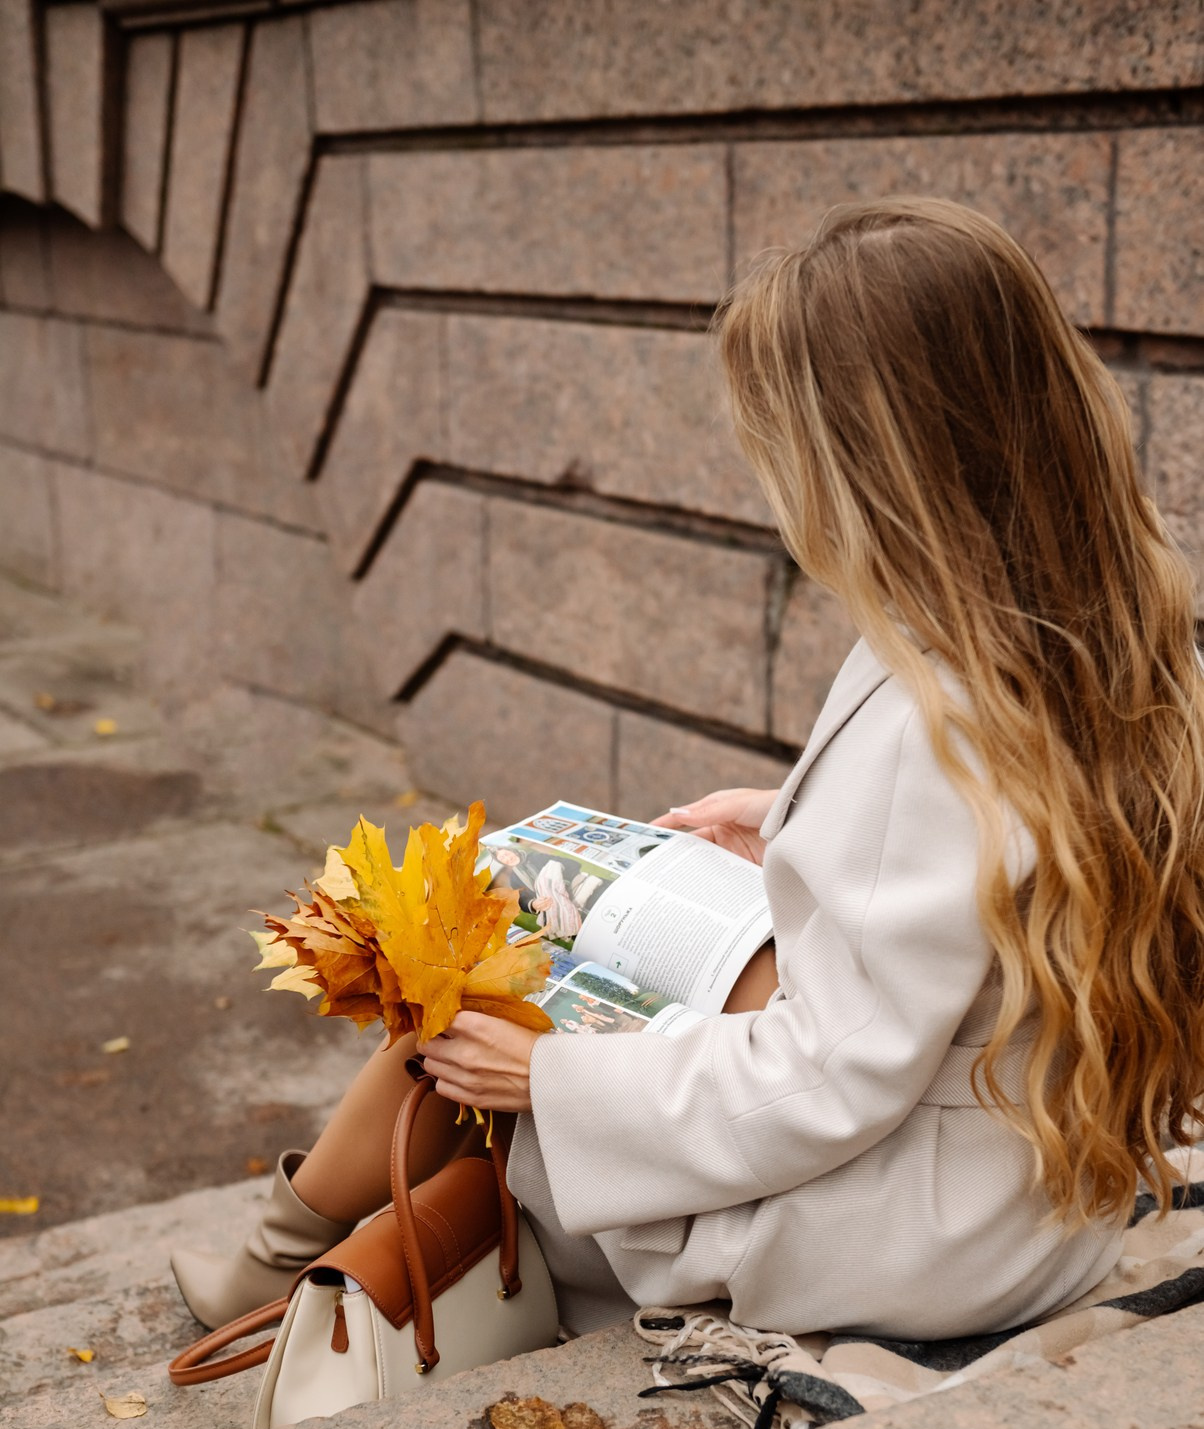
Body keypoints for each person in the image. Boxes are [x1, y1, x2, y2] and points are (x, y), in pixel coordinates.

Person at [171, 197, 1204, 1346]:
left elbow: (835, 1076)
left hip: (925, 1223)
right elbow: (1016, 846)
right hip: (1029, 1166)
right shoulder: (1111, 620)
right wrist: (794, 818)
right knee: (510, 965)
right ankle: (278, 1253)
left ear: (857, 467)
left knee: (474, 1003)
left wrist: (552, 1085)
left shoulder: (936, 705)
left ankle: (284, 1259)